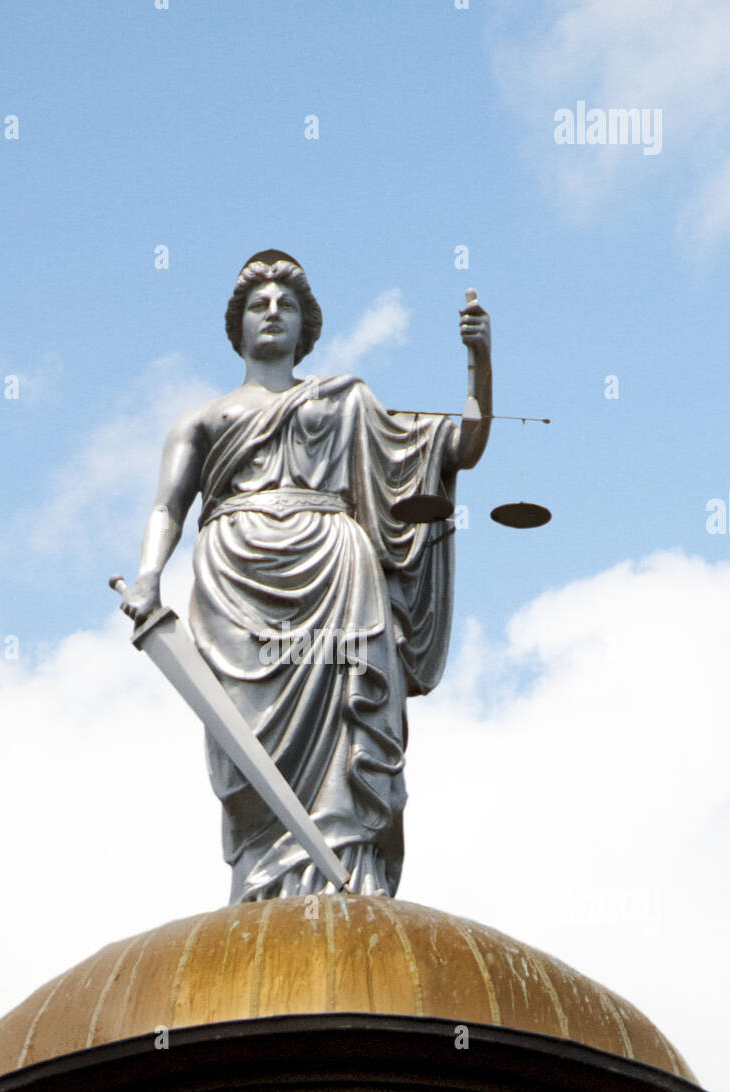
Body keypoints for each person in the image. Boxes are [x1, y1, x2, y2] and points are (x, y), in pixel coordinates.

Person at [120, 250, 492, 902]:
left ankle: (351, 878)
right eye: (258, 305)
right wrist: (149, 576)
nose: (271, 314)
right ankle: (264, 887)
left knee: (351, 727)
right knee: (247, 744)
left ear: (304, 324)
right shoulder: (203, 420)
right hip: (237, 586)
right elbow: (165, 506)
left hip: (338, 577)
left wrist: (479, 364)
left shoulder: (345, 400)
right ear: (236, 326)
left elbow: (461, 447)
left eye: (284, 305)